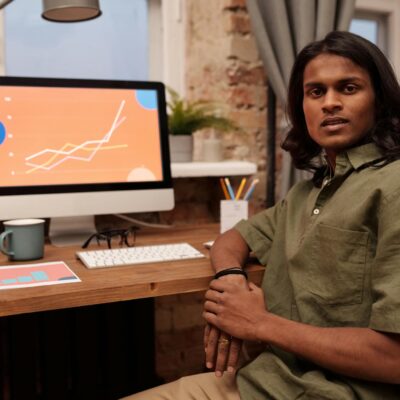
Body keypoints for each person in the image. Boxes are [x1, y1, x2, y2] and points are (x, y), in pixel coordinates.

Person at [122, 31, 400, 400]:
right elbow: (232, 239)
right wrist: (232, 279)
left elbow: (393, 359)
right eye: (316, 92)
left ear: (379, 101)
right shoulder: (306, 195)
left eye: (348, 88)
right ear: (302, 107)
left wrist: (259, 324)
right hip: (266, 381)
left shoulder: (392, 187)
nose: (330, 103)